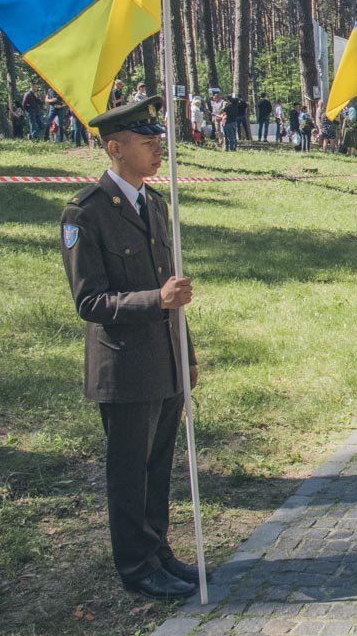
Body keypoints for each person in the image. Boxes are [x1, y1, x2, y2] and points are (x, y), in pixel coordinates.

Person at [59, 96, 202, 600]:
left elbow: (172, 290)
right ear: (116, 148)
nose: (158, 148)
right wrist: (155, 301)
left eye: (158, 140)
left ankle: (157, 549)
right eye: (147, 142)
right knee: (128, 472)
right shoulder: (86, 213)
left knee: (158, 465)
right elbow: (90, 300)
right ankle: (136, 566)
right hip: (124, 365)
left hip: (163, 360)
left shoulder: (155, 204)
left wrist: (185, 352)